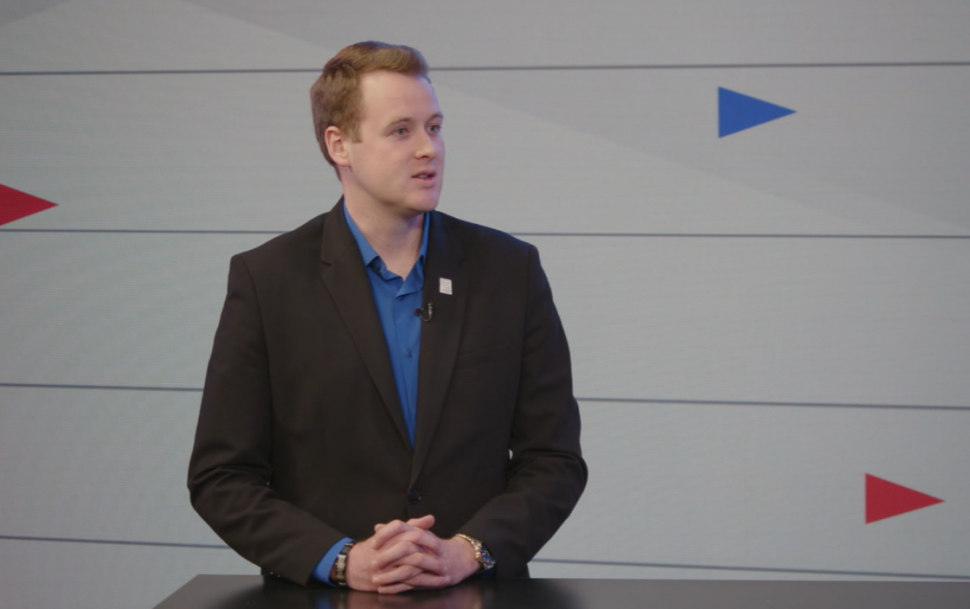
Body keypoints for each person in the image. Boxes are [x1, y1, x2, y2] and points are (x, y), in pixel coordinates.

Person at [188, 41, 586, 594]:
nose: (429, 149)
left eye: (435, 128)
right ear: (339, 145)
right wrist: (341, 560)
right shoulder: (268, 280)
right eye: (401, 131)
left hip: (475, 593)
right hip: (326, 597)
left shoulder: (508, 270)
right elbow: (221, 478)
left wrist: (468, 550)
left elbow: (554, 458)